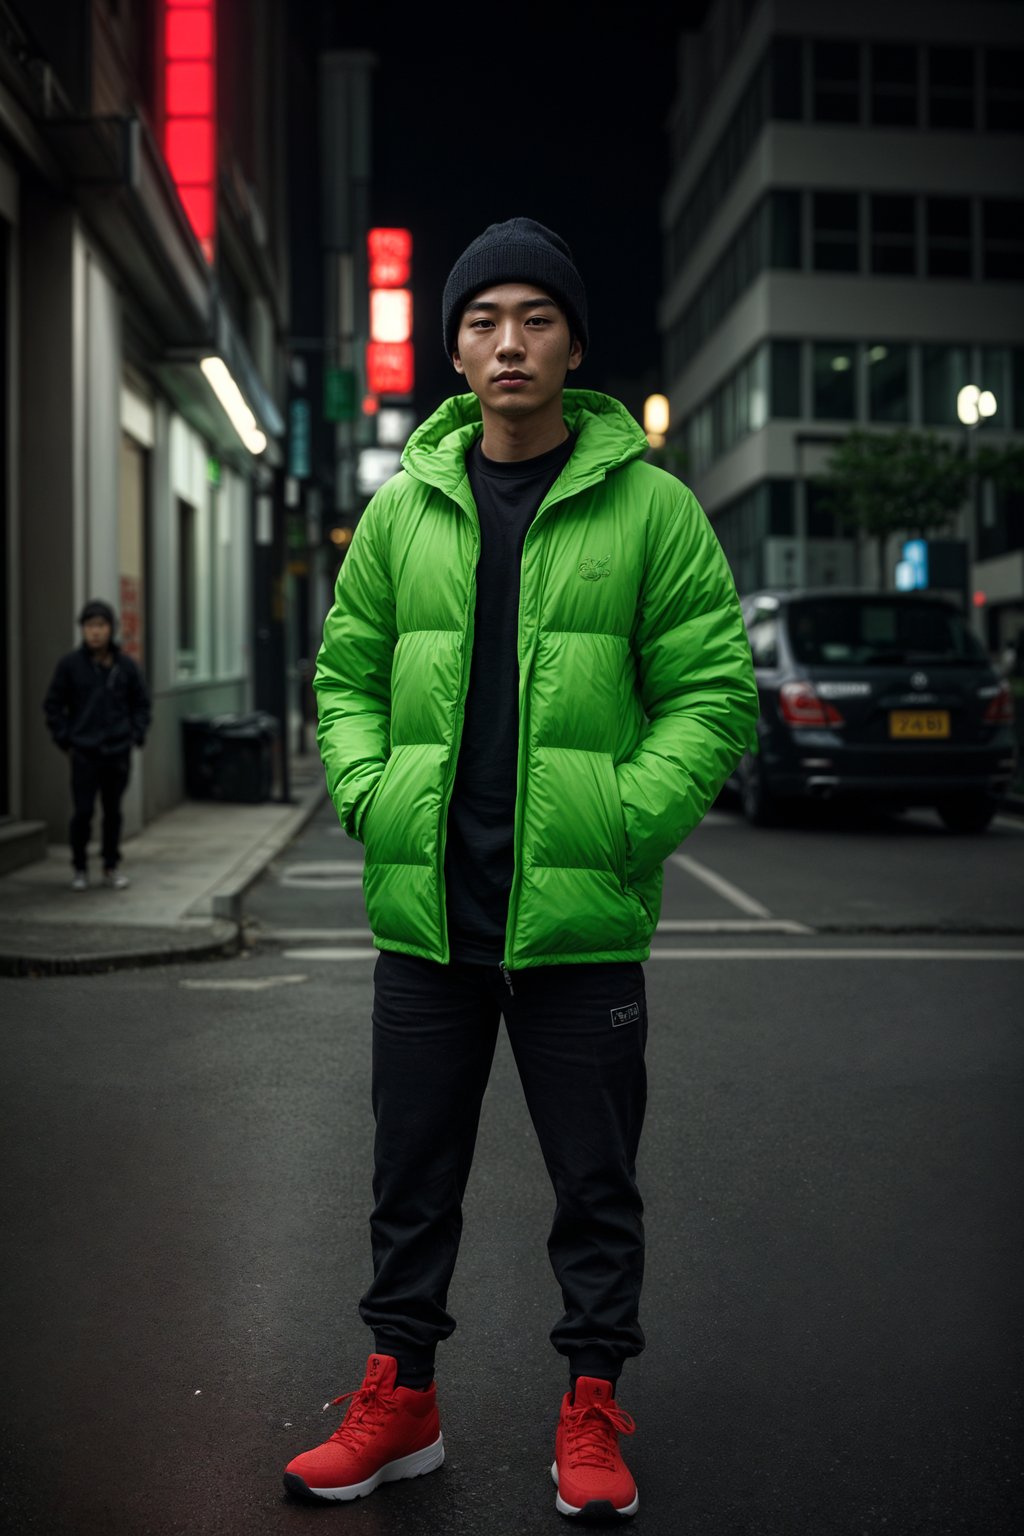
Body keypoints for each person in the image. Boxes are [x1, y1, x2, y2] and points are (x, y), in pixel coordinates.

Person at [285, 217, 758, 1518]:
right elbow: (346, 677)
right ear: (453, 348)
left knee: (595, 1184)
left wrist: (621, 816)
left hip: (581, 917)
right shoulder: (403, 509)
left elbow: (713, 694)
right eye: (485, 319)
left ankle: (592, 1405)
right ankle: (404, 1400)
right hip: (429, 913)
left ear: (576, 344)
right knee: (410, 1177)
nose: (510, 341)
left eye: (535, 317)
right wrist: (374, 795)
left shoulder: (651, 507)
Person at [43, 599, 151, 891]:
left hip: (117, 751)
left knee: (113, 812)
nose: (95, 632)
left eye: (101, 626)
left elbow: (141, 703)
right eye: (90, 626)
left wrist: (135, 734)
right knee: (82, 812)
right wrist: (65, 739)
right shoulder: (70, 665)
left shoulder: (126, 666)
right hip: (84, 752)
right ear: (82, 630)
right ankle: (79, 867)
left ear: (111, 629)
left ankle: (110, 865)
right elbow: (53, 706)